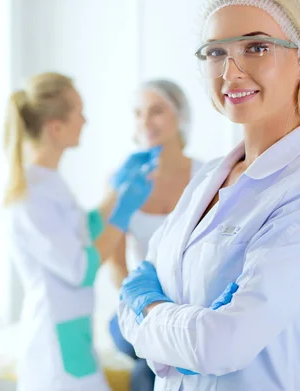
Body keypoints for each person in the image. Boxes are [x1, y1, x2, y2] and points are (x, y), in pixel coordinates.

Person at [116, 1, 300, 390]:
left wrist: (145, 306)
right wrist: (184, 327)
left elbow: (218, 347)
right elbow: (128, 307)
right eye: (216, 52)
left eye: (257, 47)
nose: (230, 72)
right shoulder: (207, 178)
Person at [3, 72, 157, 391]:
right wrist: (124, 211)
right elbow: (81, 268)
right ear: (55, 128)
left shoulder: (48, 181)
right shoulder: (30, 195)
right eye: (79, 112)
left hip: (72, 331)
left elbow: (82, 229)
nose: (86, 121)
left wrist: (117, 191)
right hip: (54, 346)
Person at [106, 79, 203, 391]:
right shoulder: (122, 181)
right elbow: (116, 265)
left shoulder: (207, 177)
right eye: (138, 113)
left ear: (180, 115)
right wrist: (146, 308)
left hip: (191, 303)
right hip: (138, 304)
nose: (145, 122)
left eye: (156, 111)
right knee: (150, 356)